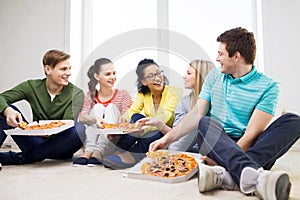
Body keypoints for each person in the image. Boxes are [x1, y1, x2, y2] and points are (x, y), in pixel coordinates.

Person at [149, 27, 300, 200]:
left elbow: (252, 133)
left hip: (248, 144)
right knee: (205, 122)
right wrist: (165, 139)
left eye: (221, 54)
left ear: (236, 56)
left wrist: (229, 159)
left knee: (293, 121)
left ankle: (227, 175)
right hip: (217, 142)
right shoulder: (214, 76)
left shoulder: (269, 86)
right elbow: (195, 115)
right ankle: (255, 176)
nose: (217, 58)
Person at [0, 49, 86, 165]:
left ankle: (21, 158)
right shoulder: (31, 86)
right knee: (5, 109)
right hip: (35, 140)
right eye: (63, 69)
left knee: (80, 128)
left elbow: (67, 124)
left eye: (69, 69)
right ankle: (34, 155)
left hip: (61, 145)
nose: (69, 73)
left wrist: (48, 131)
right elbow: (2, 98)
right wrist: (7, 110)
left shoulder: (77, 94)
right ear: (48, 69)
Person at [103, 58, 182, 169]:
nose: (158, 78)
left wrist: (140, 129)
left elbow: (165, 117)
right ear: (144, 82)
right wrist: (124, 120)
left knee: (155, 131)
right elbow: (133, 111)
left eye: (159, 73)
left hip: (165, 132)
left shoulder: (174, 92)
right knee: (136, 117)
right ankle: (119, 150)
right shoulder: (143, 94)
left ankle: (132, 155)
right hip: (148, 129)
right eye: (151, 76)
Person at [138, 60, 215, 153]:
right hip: (187, 150)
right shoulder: (184, 102)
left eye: (189, 73)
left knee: (198, 121)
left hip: (209, 149)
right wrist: (159, 124)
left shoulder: (216, 102)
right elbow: (177, 135)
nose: (184, 77)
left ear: (201, 77)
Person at [73, 58, 132, 167]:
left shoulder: (123, 95)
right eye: (108, 74)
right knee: (98, 107)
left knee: (111, 108)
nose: (113, 77)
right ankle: (88, 151)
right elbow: (82, 117)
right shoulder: (90, 95)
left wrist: (122, 120)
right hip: (92, 139)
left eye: (114, 73)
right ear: (97, 76)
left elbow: (127, 113)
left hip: (112, 140)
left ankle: (99, 151)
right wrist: (96, 120)